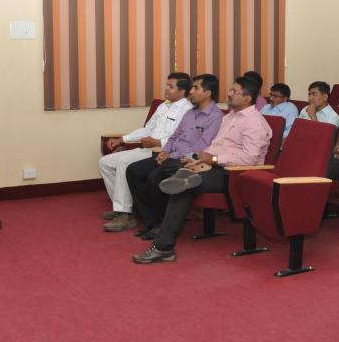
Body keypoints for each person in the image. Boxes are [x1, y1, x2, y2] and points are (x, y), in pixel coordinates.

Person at [133, 77, 271, 264]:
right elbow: (215, 146)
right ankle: (183, 175)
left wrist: (212, 160)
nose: (229, 94)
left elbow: (250, 158)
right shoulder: (230, 117)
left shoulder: (254, 122)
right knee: (172, 167)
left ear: (247, 98)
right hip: (212, 167)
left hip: (235, 174)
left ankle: (163, 248)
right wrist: (199, 160)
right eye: (230, 90)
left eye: (234, 91)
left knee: (183, 186)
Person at [126, 75, 223, 240]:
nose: (191, 91)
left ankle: (159, 225)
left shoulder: (215, 116)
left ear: (208, 93)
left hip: (188, 160)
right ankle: (151, 221)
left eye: (195, 88)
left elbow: (203, 145)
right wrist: (165, 152)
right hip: (171, 156)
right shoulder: (190, 113)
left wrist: (171, 155)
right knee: (133, 171)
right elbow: (174, 136)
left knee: (154, 177)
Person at [99, 73, 193, 232]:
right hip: (147, 148)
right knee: (105, 163)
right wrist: (122, 139)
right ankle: (126, 206)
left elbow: (183, 139)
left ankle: (125, 214)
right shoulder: (164, 106)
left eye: (171, 86)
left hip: (162, 152)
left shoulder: (187, 111)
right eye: (166, 85)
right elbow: (147, 129)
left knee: (124, 162)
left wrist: (157, 143)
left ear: (182, 91)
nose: (166, 89)